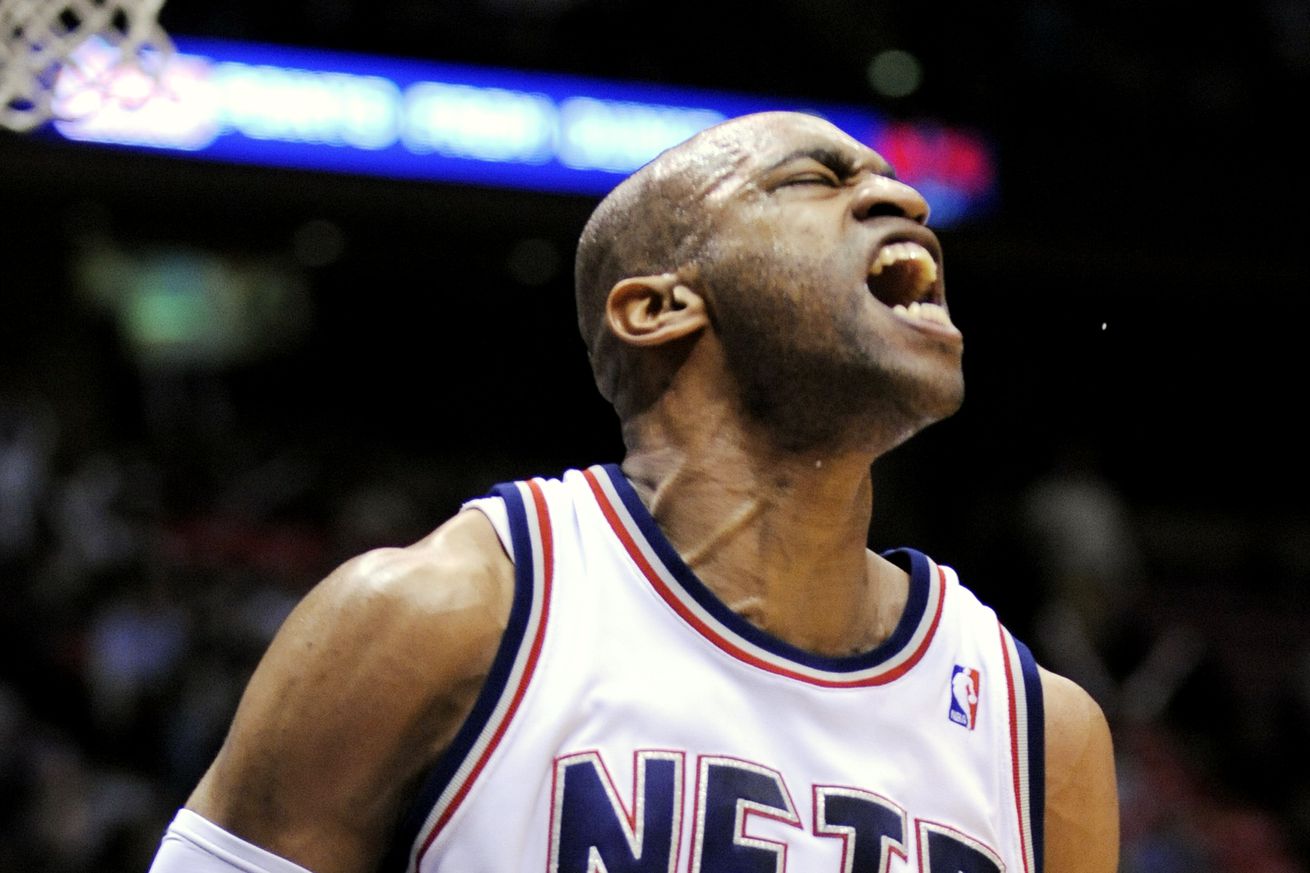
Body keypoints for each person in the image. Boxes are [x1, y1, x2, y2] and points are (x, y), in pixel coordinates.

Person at [147, 110, 1118, 873]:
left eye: (890, 180)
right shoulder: (439, 618)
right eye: (815, 180)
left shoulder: (1038, 733)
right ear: (658, 306)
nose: (897, 198)